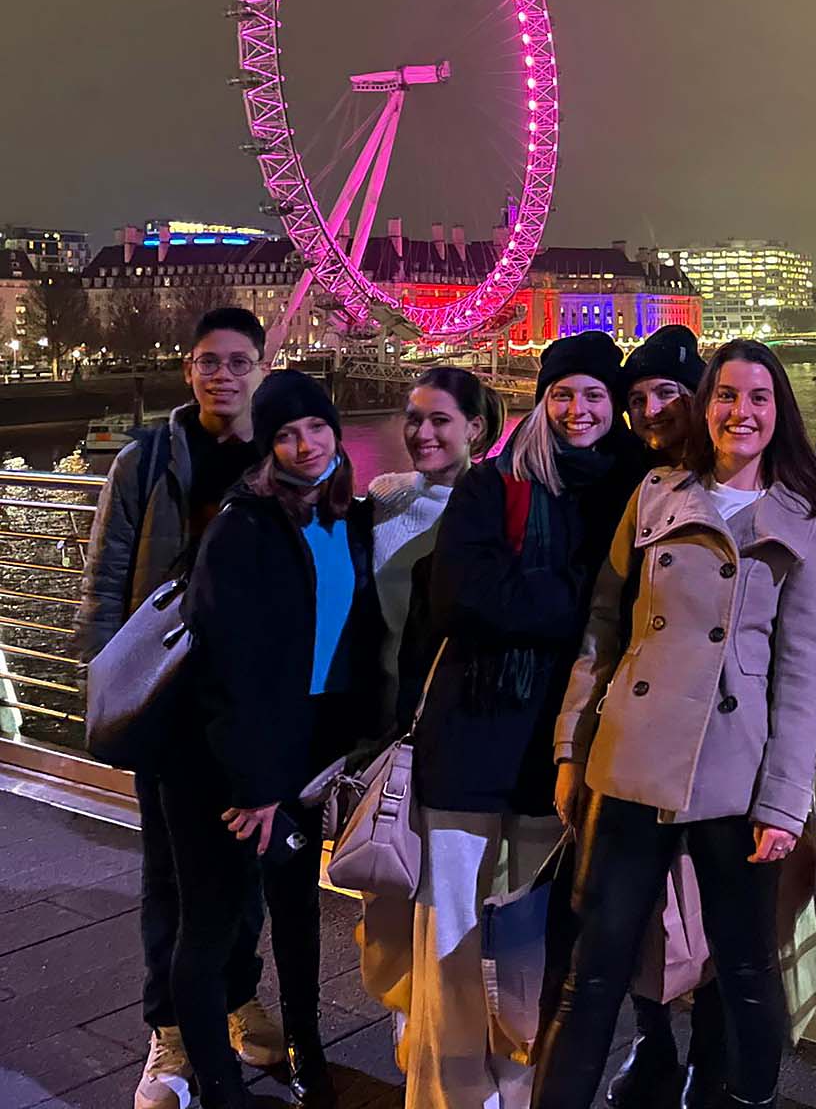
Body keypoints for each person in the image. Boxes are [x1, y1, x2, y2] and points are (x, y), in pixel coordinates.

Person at [532, 339, 816, 1109]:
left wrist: (784, 800)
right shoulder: (656, 493)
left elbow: (802, 672)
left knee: (744, 969)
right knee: (591, 973)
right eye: (726, 395)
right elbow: (604, 630)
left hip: (733, 773)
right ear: (705, 406)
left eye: (758, 397)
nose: (740, 412)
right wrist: (570, 747)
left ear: (779, 412)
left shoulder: (806, 521)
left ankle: (745, 1100)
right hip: (628, 756)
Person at [403, 331, 644, 1109]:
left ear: (614, 408)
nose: (576, 410)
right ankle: (445, 1098)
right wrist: (584, 608)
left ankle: (518, 1090)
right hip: (470, 736)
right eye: (562, 394)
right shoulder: (493, 483)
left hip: (564, 749)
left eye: (593, 397)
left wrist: (535, 602)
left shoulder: (637, 488)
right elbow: (461, 599)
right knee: (449, 941)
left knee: (537, 950)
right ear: (542, 400)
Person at [75, 307, 283, 1109]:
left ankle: (236, 997)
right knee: (166, 871)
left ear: (261, 368)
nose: (222, 375)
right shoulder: (144, 460)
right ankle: (166, 1034)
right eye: (208, 361)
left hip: (247, 703)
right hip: (163, 702)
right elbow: (106, 576)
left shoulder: (282, 457)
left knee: (247, 866)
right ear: (187, 370)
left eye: (237, 361)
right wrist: (105, 678)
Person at [169, 369, 385, 1108]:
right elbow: (227, 666)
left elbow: (349, 641)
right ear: (267, 446)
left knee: (294, 914)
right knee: (213, 922)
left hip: (301, 750)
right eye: (285, 433)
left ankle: (307, 1051)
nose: (303, 444)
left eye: (315, 428)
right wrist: (254, 784)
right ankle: (220, 1084)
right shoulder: (244, 525)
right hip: (223, 763)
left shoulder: (348, 518)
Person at [607, 325, 721, 1109]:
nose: (651, 410)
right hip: (638, 728)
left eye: (666, 395)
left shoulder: (747, 481)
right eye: (638, 398)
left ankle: (708, 1059)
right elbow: (603, 612)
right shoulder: (633, 484)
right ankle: (654, 1040)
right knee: (644, 902)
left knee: (718, 906)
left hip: (719, 730)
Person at [370, 366, 506, 728]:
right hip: (373, 708)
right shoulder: (383, 495)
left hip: (451, 715)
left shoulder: (496, 510)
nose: (423, 434)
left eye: (440, 420)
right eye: (414, 420)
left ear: (474, 428)